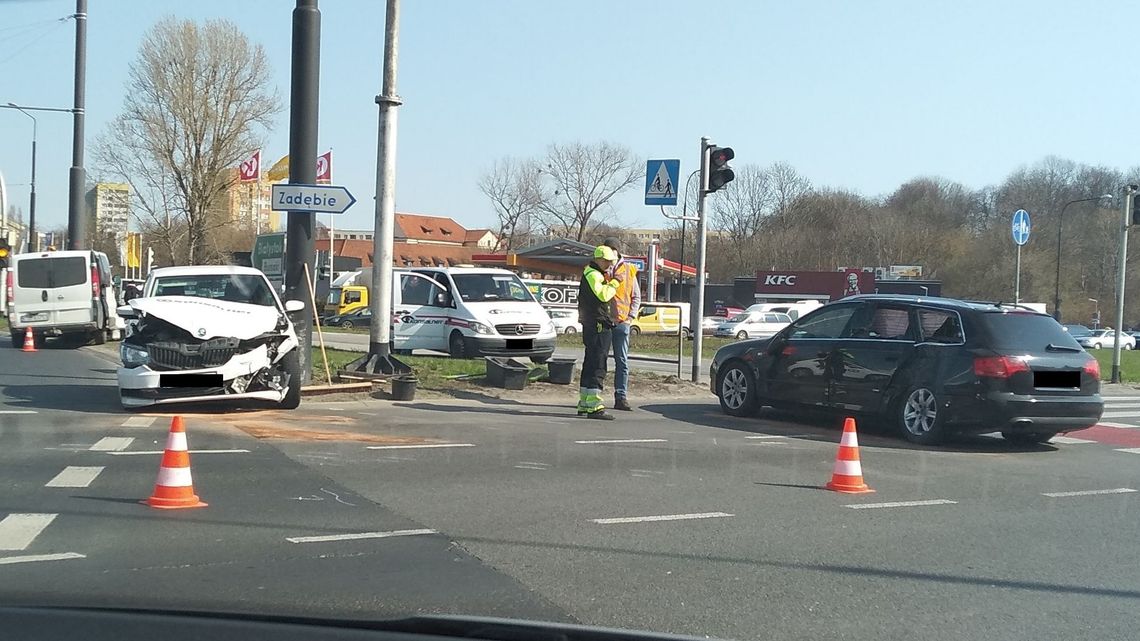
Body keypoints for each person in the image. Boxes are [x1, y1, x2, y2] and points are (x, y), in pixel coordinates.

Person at [576, 245, 622, 420]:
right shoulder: (594, 275)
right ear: (599, 259)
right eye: (607, 261)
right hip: (598, 325)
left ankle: (584, 403)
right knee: (598, 364)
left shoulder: (591, 273)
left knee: (590, 363)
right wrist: (615, 283)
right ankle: (594, 405)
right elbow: (603, 295)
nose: (610, 265)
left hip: (592, 324)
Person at [603, 237, 641, 411]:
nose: (609, 253)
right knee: (599, 359)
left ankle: (621, 396)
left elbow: (636, 296)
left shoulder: (628, 270)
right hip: (603, 322)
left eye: (612, 249)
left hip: (621, 322)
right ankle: (595, 396)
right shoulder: (600, 268)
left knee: (622, 361)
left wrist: (630, 318)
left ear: (617, 251)